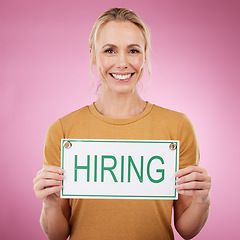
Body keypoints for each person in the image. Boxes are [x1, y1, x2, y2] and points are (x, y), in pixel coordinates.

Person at [33, 8, 211, 240]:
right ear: (94, 56)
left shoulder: (177, 126)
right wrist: (50, 204)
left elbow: (187, 230)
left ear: (144, 56)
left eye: (133, 50)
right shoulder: (63, 131)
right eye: (110, 50)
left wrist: (202, 199)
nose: (122, 62)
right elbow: (57, 235)